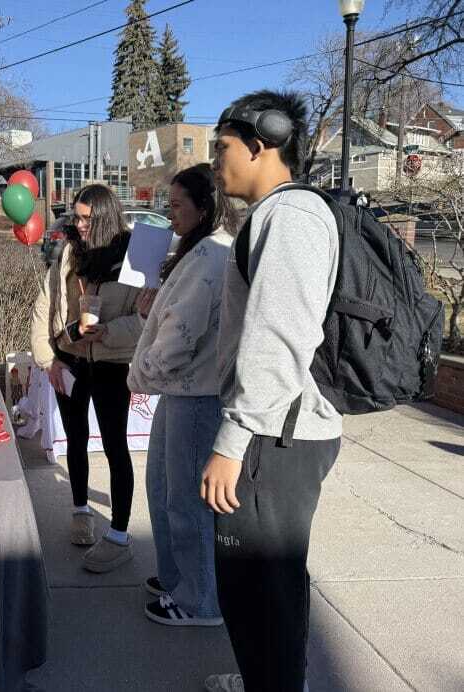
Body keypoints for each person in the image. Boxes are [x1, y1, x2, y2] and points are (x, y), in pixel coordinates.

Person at [201, 91, 341, 692]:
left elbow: (278, 339)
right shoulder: (276, 217)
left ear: (263, 142)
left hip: (272, 436)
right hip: (276, 431)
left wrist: (231, 443)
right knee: (269, 588)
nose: (215, 162)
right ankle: (270, 678)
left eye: (222, 147)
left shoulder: (292, 216)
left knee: (261, 588)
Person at [128, 163, 232, 627]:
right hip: (181, 392)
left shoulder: (211, 255)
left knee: (186, 500)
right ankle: (178, 578)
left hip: (197, 395)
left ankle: (199, 599)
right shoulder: (198, 252)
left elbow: (180, 334)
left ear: (204, 206)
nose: (168, 216)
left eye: (175, 205)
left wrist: (140, 375)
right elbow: (173, 319)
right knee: (165, 490)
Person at [30, 183, 142, 573]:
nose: (77, 225)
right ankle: (81, 511)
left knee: (115, 446)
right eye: (75, 216)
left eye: (85, 218)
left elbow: (148, 318)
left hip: (112, 364)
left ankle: (119, 534)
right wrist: (49, 361)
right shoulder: (66, 252)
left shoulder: (135, 253)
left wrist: (108, 332)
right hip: (70, 361)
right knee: (74, 438)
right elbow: (44, 306)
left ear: (106, 218)